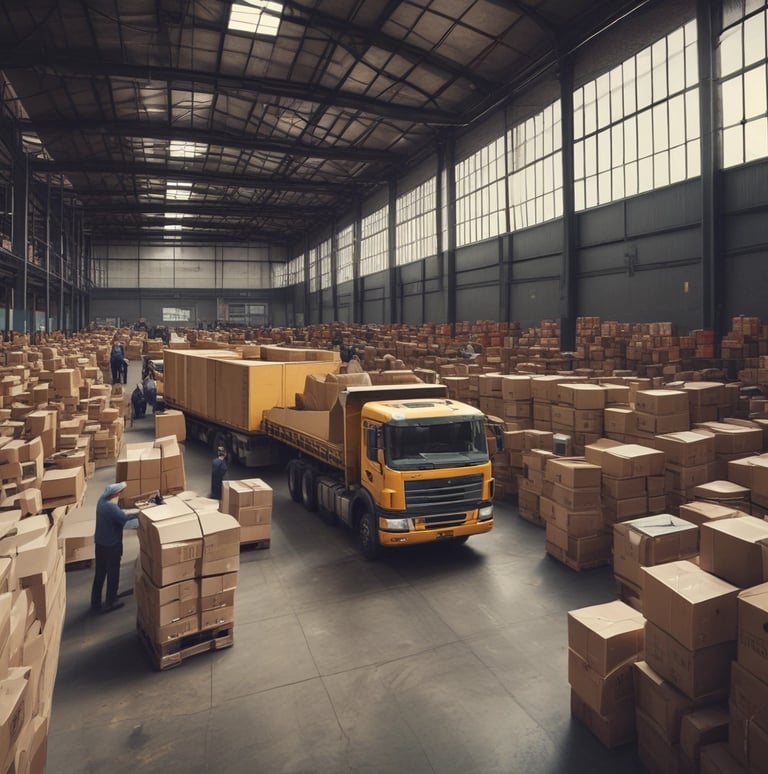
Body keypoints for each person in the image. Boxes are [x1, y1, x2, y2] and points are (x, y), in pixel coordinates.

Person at [91, 482, 138, 614]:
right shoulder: (111, 509)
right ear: (115, 494)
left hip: (100, 543)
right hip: (111, 546)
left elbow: (120, 515)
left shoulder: (101, 501)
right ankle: (111, 601)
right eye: (119, 493)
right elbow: (126, 521)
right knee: (113, 573)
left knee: (100, 574)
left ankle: (95, 602)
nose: (120, 495)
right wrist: (142, 518)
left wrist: (135, 513)